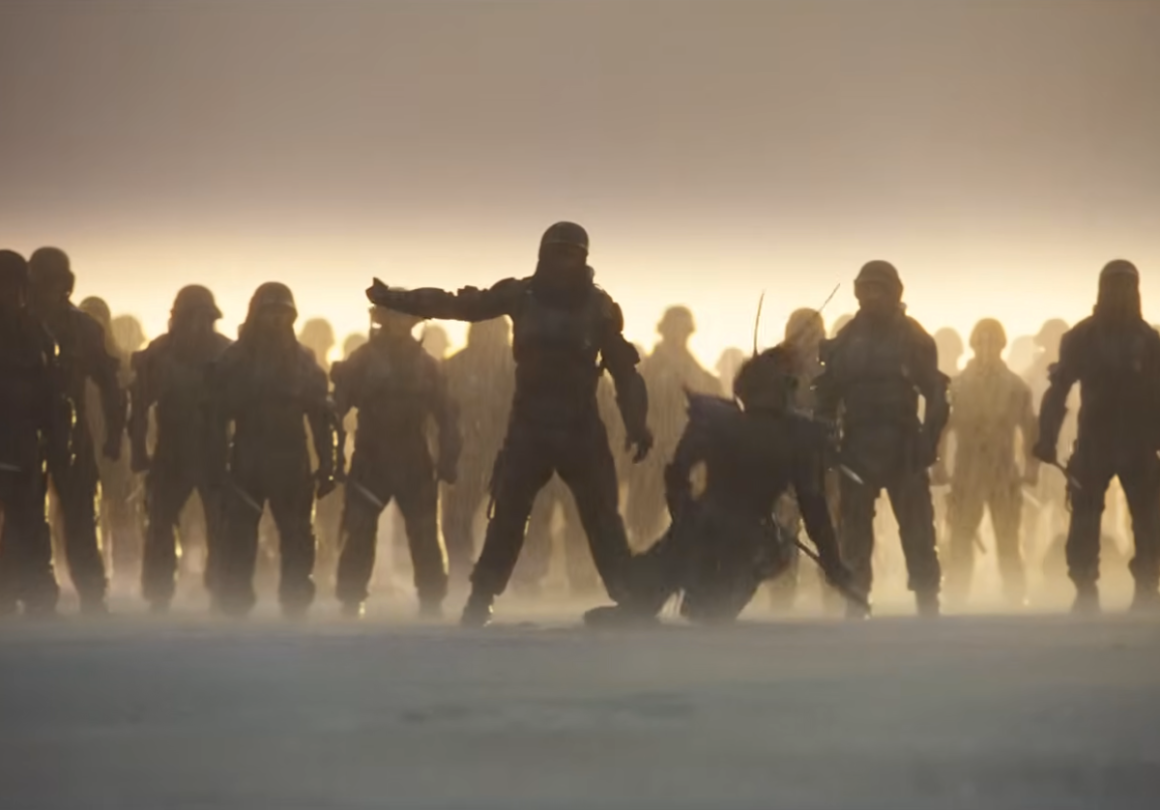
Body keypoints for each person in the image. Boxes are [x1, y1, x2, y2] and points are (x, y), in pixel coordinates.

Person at [367, 221, 653, 626]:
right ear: (543, 255)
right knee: (507, 518)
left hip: (580, 429)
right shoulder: (521, 295)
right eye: (558, 253)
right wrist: (399, 300)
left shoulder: (599, 309)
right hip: (530, 428)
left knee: (603, 518)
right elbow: (459, 305)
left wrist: (637, 423)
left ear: (583, 259)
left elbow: (624, 370)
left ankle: (628, 599)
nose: (563, 263)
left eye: (571, 255)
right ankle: (480, 600)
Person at [586, 347, 852, 625]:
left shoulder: (723, 423)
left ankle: (654, 600)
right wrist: (833, 564)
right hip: (723, 531)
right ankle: (650, 600)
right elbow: (814, 509)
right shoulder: (790, 435)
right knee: (686, 589)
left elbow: (677, 473)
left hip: (720, 530)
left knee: (699, 598)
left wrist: (684, 511)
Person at [815, 260, 948, 617]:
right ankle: (855, 600)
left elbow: (937, 394)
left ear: (893, 293)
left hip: (904, 446)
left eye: (880, 289)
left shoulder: (913, 337)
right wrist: (826, 440)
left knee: (918, 530)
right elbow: (826, 394)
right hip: (856, 446)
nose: (873, 296)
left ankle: (927, 601)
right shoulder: (845, 339)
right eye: (867, 289)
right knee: (854, 532)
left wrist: (928, 442)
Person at [1033, 260, 1160, 613]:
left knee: (1148, 521)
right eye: (1114, 285)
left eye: (1125, 285)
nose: (1119, 293)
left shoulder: (1150, 341)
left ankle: (1147, 587)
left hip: (1138, 443)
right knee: (1085, 519)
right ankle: (1085, 588)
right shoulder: (1083, 337)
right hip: (1095, 441)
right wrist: (1046, 438)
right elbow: (1058, 391)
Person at [210, 283, 338, 618]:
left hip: (291, 458)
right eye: (270, 313)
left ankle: (295, 603)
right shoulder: (234, 359)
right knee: (238, 537)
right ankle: (234, 604)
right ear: (257, 314)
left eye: (283, 313)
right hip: (247, 458)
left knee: (297, 536)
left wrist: (328, 462)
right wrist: (216, 463)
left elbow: (321, 417)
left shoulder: (303, 361)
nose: (277, 320)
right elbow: (214, 415)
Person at [331, 305, 461, 617]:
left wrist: (448, 458)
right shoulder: (362, 361)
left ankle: (431, 600)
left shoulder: (427, 366)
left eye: (406, 318)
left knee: (425, 533)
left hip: (413, 457)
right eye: (396, 318)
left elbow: (447, 416)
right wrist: (333, 457)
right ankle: (351, 600)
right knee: (359, 531)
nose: (401, 324)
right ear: (383, 321)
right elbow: (334, 410)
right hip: (370, 458)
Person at [28, 247, 125, 614]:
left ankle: (92, 595)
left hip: (70, 434)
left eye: (53, 283)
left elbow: (110, 385)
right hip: (20, 434)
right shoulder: (13, 325)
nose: (47, 291)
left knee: (81, 518)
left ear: (66, 284)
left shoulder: (84, 329)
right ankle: (32, 593)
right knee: (25, 519)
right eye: (41, 283)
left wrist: (114, 433)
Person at [130, 285, 232, 612]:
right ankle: (158, 594)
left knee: (221, 527)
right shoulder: (159, 355)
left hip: (214, 452)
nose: (198, 327)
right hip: (171, 452)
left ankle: (222, 592)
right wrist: (138, 451)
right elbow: (139, 406)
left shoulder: (228, 354)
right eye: (192, 318)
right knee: (160, 524)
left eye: (204, 319)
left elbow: (246, 406)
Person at [936, 318, 1038, 606]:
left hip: (1003, 470)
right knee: (960, 539)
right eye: (982, 341)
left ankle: (1015, 597)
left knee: (1008, 539)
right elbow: (941, 429)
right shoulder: (956, 387)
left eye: (993, 341)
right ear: (973, 344)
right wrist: (939, 465)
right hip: (967, 471)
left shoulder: (1016, 387)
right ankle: (956, 596)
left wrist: (1031, 466)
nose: (987, 347)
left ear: (1002, 345)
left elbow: (1030, 430)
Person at [0, 250, 69, 617]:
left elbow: (52, 394)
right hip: (18, 445)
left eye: (13, 286)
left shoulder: (34, 334)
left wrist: (57, 441)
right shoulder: (34, 332)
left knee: (27, 523)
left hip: (22, 446)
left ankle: (31, 589)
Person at [626, 306, 721, 547]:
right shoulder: (649, 367)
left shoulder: (693, 367)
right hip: (653, 454)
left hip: (685, 452)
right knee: (644, 526)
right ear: (666, 330)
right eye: (677, 329)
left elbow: (710, 394)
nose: (681, 335)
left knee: (686, 522)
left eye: (685, 330)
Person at [440, 317, 514, 589]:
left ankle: (514, 576)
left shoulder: (517, 367)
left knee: (513, 519)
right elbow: (438, 414)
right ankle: (463, 573)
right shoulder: (455, 367)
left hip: (504, 456)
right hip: (470, 457)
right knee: (458, 520)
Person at [77, 296, 140, 587]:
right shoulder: (67, 360)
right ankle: (84, 573)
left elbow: (136, 405)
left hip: (115, 444)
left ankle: (125, 573)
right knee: (76, 511)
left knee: (121, 509)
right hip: (79, 443)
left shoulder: (122, 362)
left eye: (97, 317)